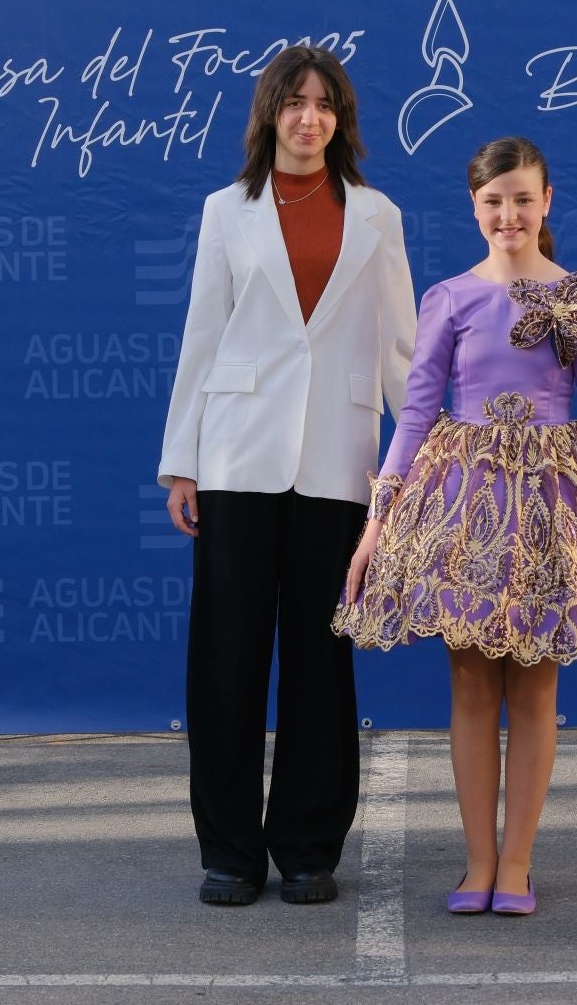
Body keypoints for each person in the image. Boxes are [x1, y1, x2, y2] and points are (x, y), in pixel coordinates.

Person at [333, 135, 577, 917]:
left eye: (521, 198)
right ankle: (477, 862)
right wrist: (380, 517)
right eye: (492, 200)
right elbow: (414, 414)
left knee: (536, 689)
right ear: (473, 207)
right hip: (464, 502)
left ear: (547, 203)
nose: (507, 213)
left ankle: (517, 864)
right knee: (472, 685)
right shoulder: (448, 297)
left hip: (553, 501)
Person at [159, 45, 417, 907]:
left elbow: (400, 348)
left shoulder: (378, 215)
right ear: (270, 113)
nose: (310, 118)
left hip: (339, 462)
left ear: (341, 119)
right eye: (295, 102)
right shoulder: (225, 212)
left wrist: (411, 466)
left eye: (326, 104)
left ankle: (308, 847)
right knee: (225, 657)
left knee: (321, 657)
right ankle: (229, 852)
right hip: (235, 455)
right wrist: (182, 462)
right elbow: (202, 336)